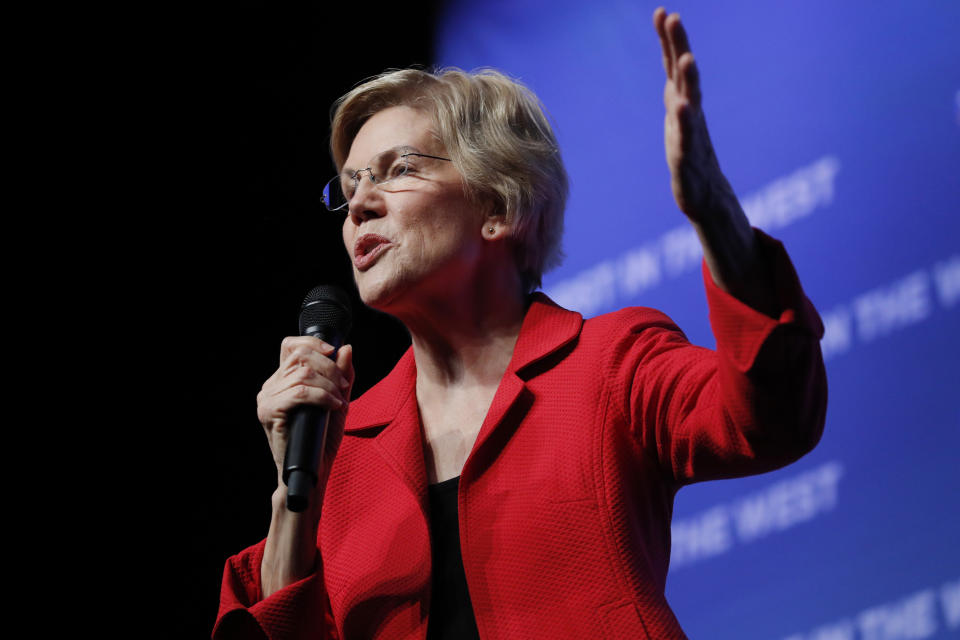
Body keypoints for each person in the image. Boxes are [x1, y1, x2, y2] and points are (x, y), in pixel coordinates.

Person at [214, 8, 827, 639]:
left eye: (399, 169)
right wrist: (298, 504)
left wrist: (718, 217)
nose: (361, 204)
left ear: (499, 206)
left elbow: (772, 418)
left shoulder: (610, 363)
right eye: (350, 186)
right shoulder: (341, 450)